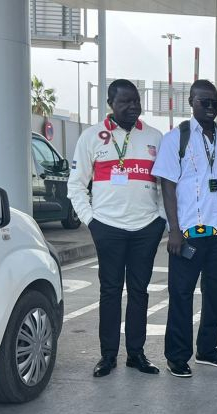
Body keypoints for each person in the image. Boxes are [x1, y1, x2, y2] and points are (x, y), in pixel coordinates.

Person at [67, 79, 166, 378]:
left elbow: (166, 185)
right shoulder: (91, 137)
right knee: (110, 291)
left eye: (136, 101)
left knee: (139, 292)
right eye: (125, 101)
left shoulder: (154, 137)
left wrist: (161, 219)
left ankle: (136, 354)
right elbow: (76, 184)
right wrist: (91, 221)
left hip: (146, 227)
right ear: (111, 103)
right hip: (107, 227)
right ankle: (107, 355)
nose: (133, 106)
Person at [152, 80, 217, 377]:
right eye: (203, 102)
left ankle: (207, 350)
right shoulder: (176, 139)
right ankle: (177, 356)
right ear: (191, 102)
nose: (209, 108)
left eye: (214, 103)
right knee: (181, 293)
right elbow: (167, 186)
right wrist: (174, 230)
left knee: (216, 291)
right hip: (190, 233)